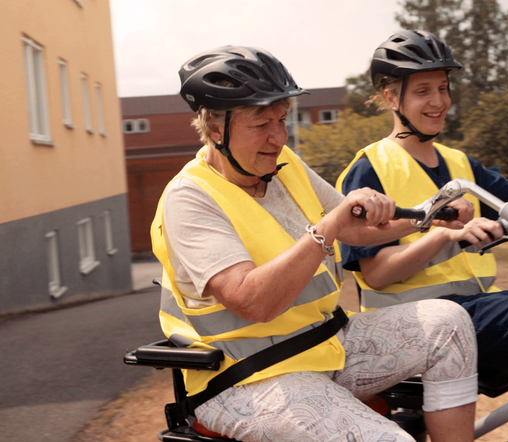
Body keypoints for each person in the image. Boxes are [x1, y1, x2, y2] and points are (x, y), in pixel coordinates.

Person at [151, 45, 479, 442]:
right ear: (215, 127)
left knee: (449, 322)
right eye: (261, 124)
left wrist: (428, 214)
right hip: (246, 379)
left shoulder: (281, 163)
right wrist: (329, 226)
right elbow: (252, 301)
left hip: (325, 346)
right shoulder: (189, 198)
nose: (277, 137)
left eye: (282, 120)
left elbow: (355, 229)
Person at [336, 30, 508, 442]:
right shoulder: (369, 169)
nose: (438, 101)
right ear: (391, 97)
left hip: (474, 311)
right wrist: (446, 235)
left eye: (443, 89)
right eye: (423, 92)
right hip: (416, 324)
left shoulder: (458, 162)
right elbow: (376, 275)